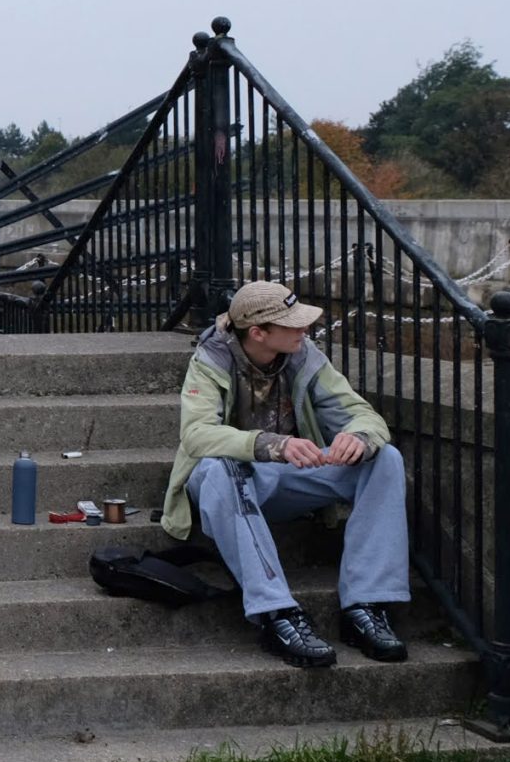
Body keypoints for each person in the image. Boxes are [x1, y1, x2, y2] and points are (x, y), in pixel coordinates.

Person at [160, 279, 411, 669]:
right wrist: (273, 445)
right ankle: (277, 613)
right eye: (293, 324)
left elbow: (363, 414)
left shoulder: (303, 354)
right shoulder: (210, 360)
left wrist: (360, 436)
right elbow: (196, 435)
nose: (304, 329)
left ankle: (366, 605)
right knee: (224, 468)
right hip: (223, 483)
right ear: (259, 333)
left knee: (385, 458)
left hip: (289, 477)